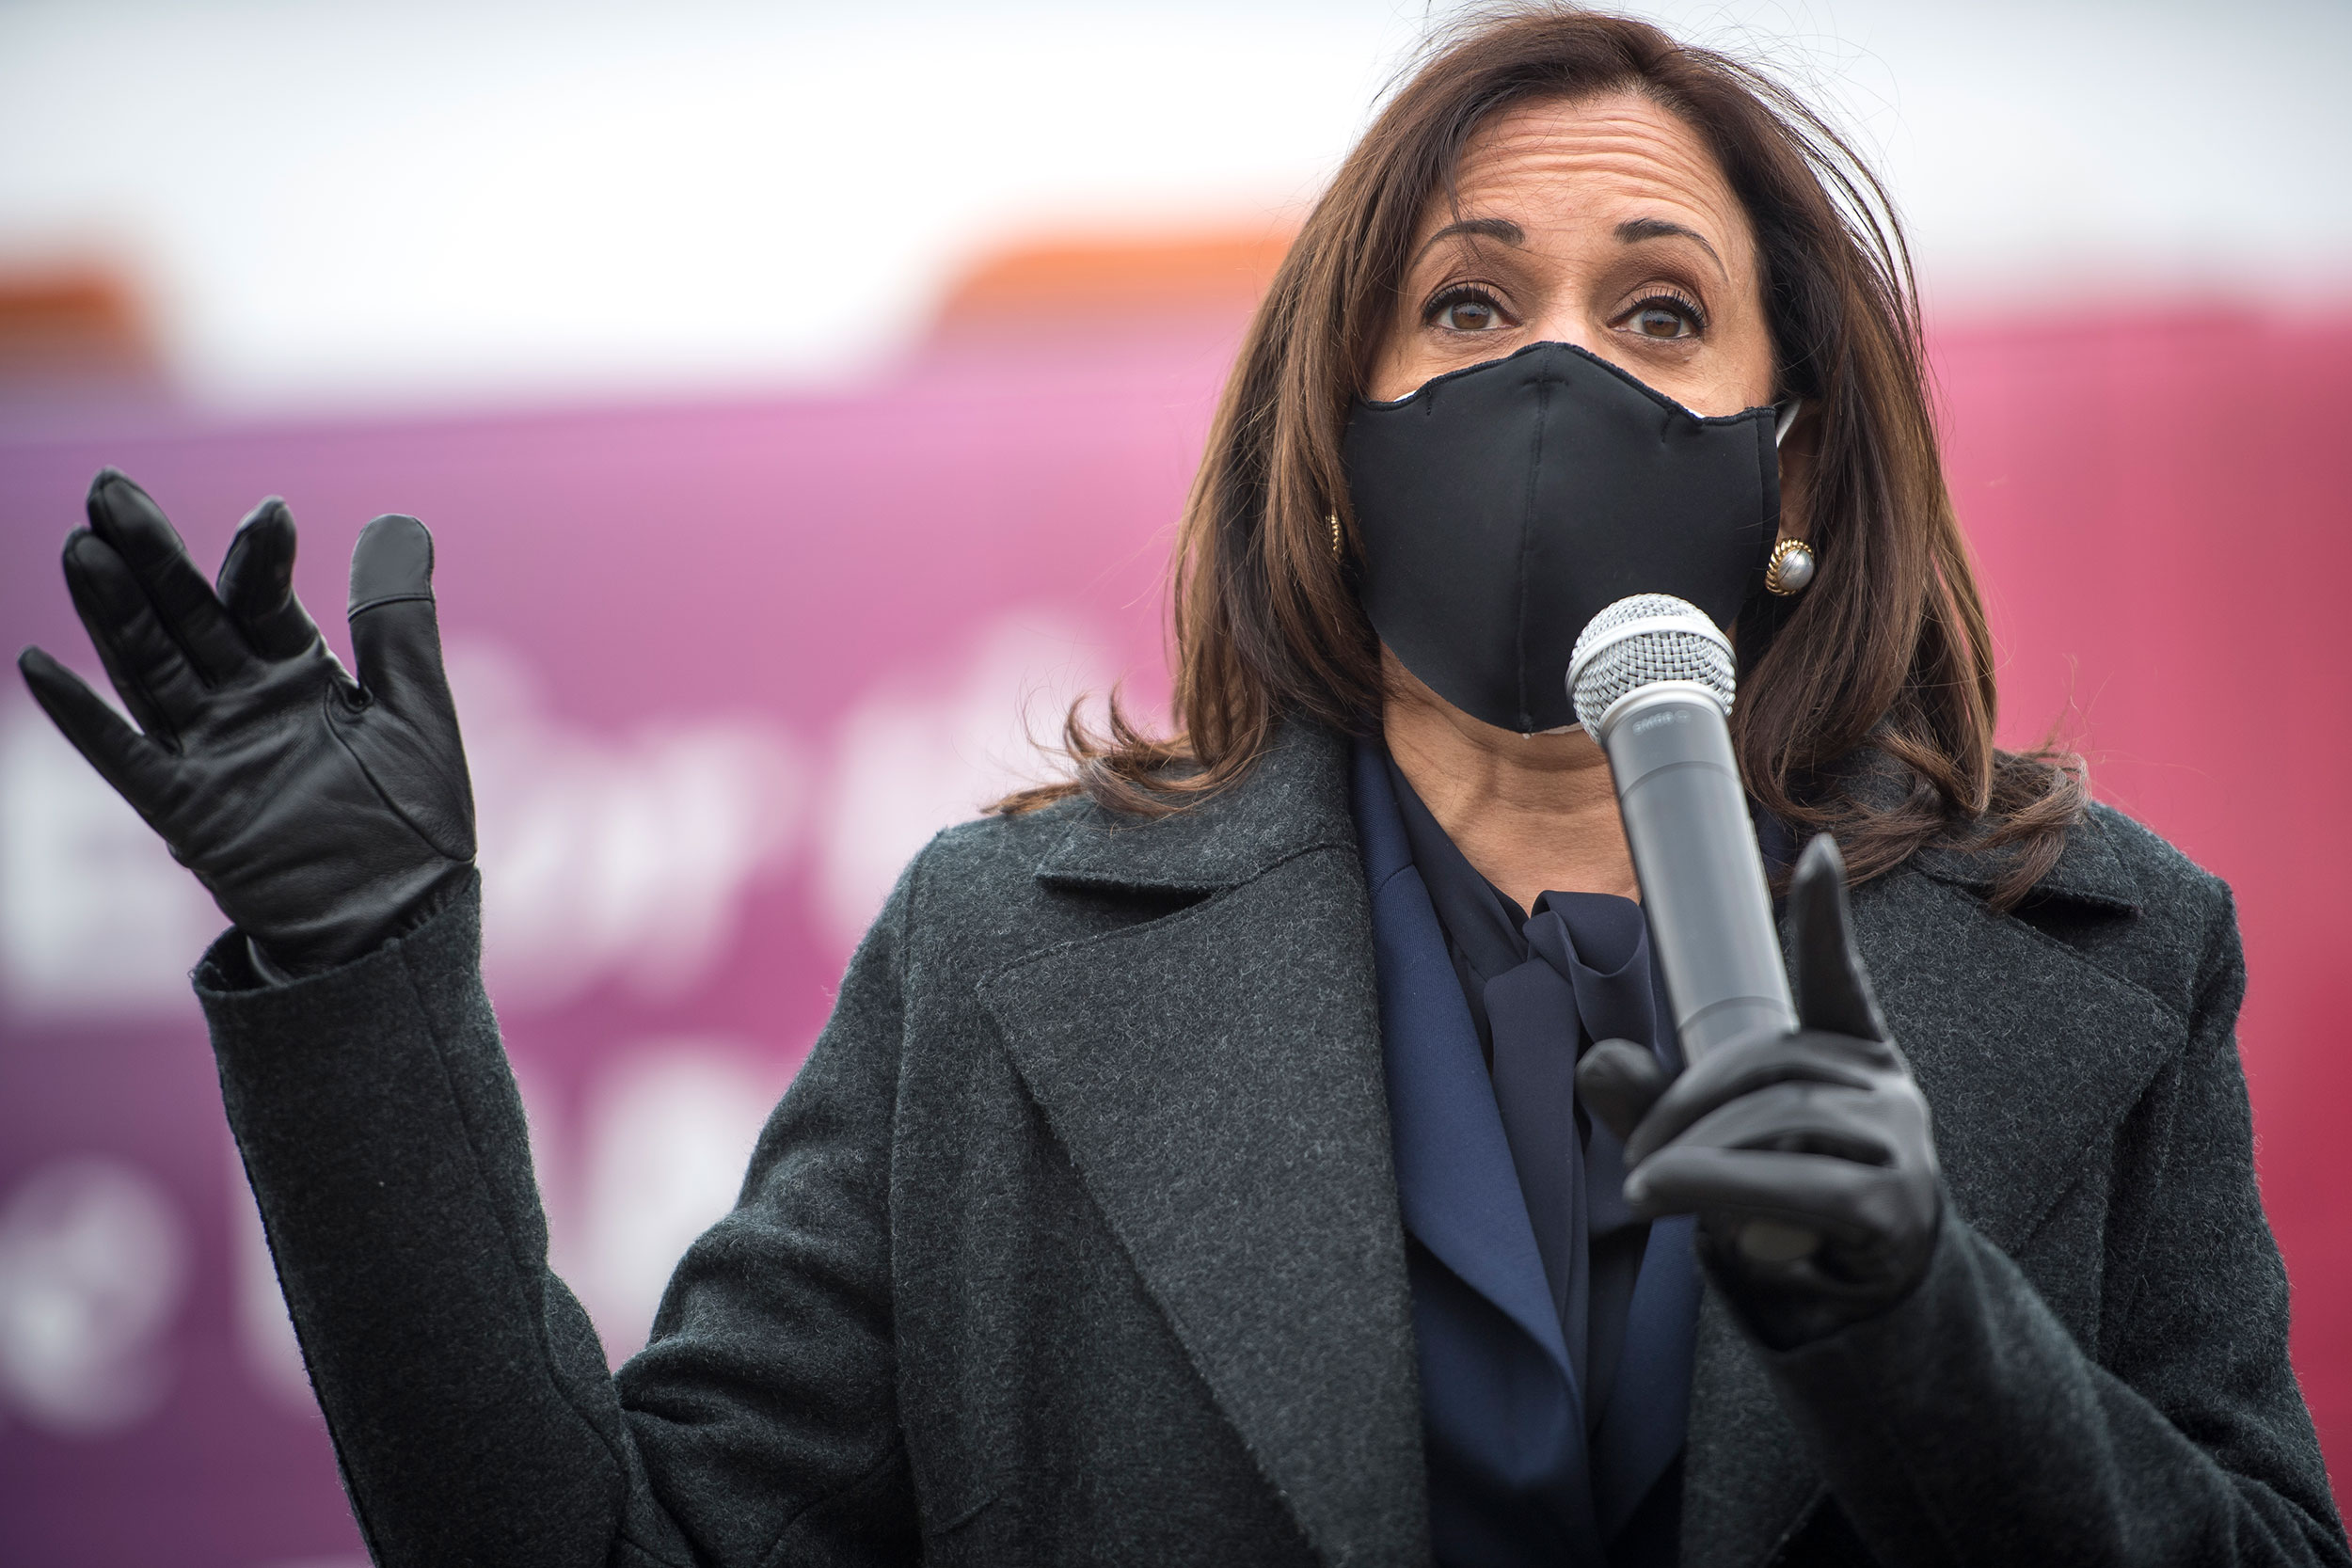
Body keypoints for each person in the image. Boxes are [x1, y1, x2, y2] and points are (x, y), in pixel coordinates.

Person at [17, 8, 2345, 1566]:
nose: (1557, 375)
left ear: (1788, 462)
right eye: (1462, 305)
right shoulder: (1002, 955)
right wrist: (358, 974)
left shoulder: (2104, 952)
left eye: (1654, 314)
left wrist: (1915, 1330)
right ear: (1333, 454)